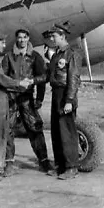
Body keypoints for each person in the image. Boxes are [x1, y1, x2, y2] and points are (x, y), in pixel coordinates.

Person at [2, 28, 53, 176]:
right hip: (11, 99)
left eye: (24, 37)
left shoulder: (35, 57)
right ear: (16, 39)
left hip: (27, 99)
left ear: (28, 39)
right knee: (8, 130)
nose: (22, 40)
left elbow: (43, 78)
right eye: (19, 37)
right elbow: (3, 78)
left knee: (35, 129)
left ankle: (44, 161)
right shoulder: (8, 57)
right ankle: (9, 163)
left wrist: (39, 99)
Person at [0, 32, 31, 181]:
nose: (5, 45)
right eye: (2, 43)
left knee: (0, 135)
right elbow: (1, 79)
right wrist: (19, 84)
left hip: (0, 102)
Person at [45, 23, 81, 180]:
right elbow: (49, 76)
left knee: (67, 133)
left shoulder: (72, 54)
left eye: (54, 36)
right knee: (56, 132)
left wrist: (69, 100)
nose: (52, 39)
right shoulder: (55, 56)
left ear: (62, 36)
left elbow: (74, 79)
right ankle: (60, 166)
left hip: (66, 95)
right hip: (56, 95)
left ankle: (71, 167)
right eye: (51, 36)